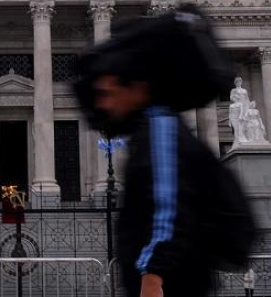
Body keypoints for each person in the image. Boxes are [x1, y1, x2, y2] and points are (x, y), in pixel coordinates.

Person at [90, 56, 219, 297]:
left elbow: (169, 211)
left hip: (169, 272)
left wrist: (151, 277)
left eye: (110, 91)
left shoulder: (161, 127)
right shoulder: (149, 131)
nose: (104, 103)